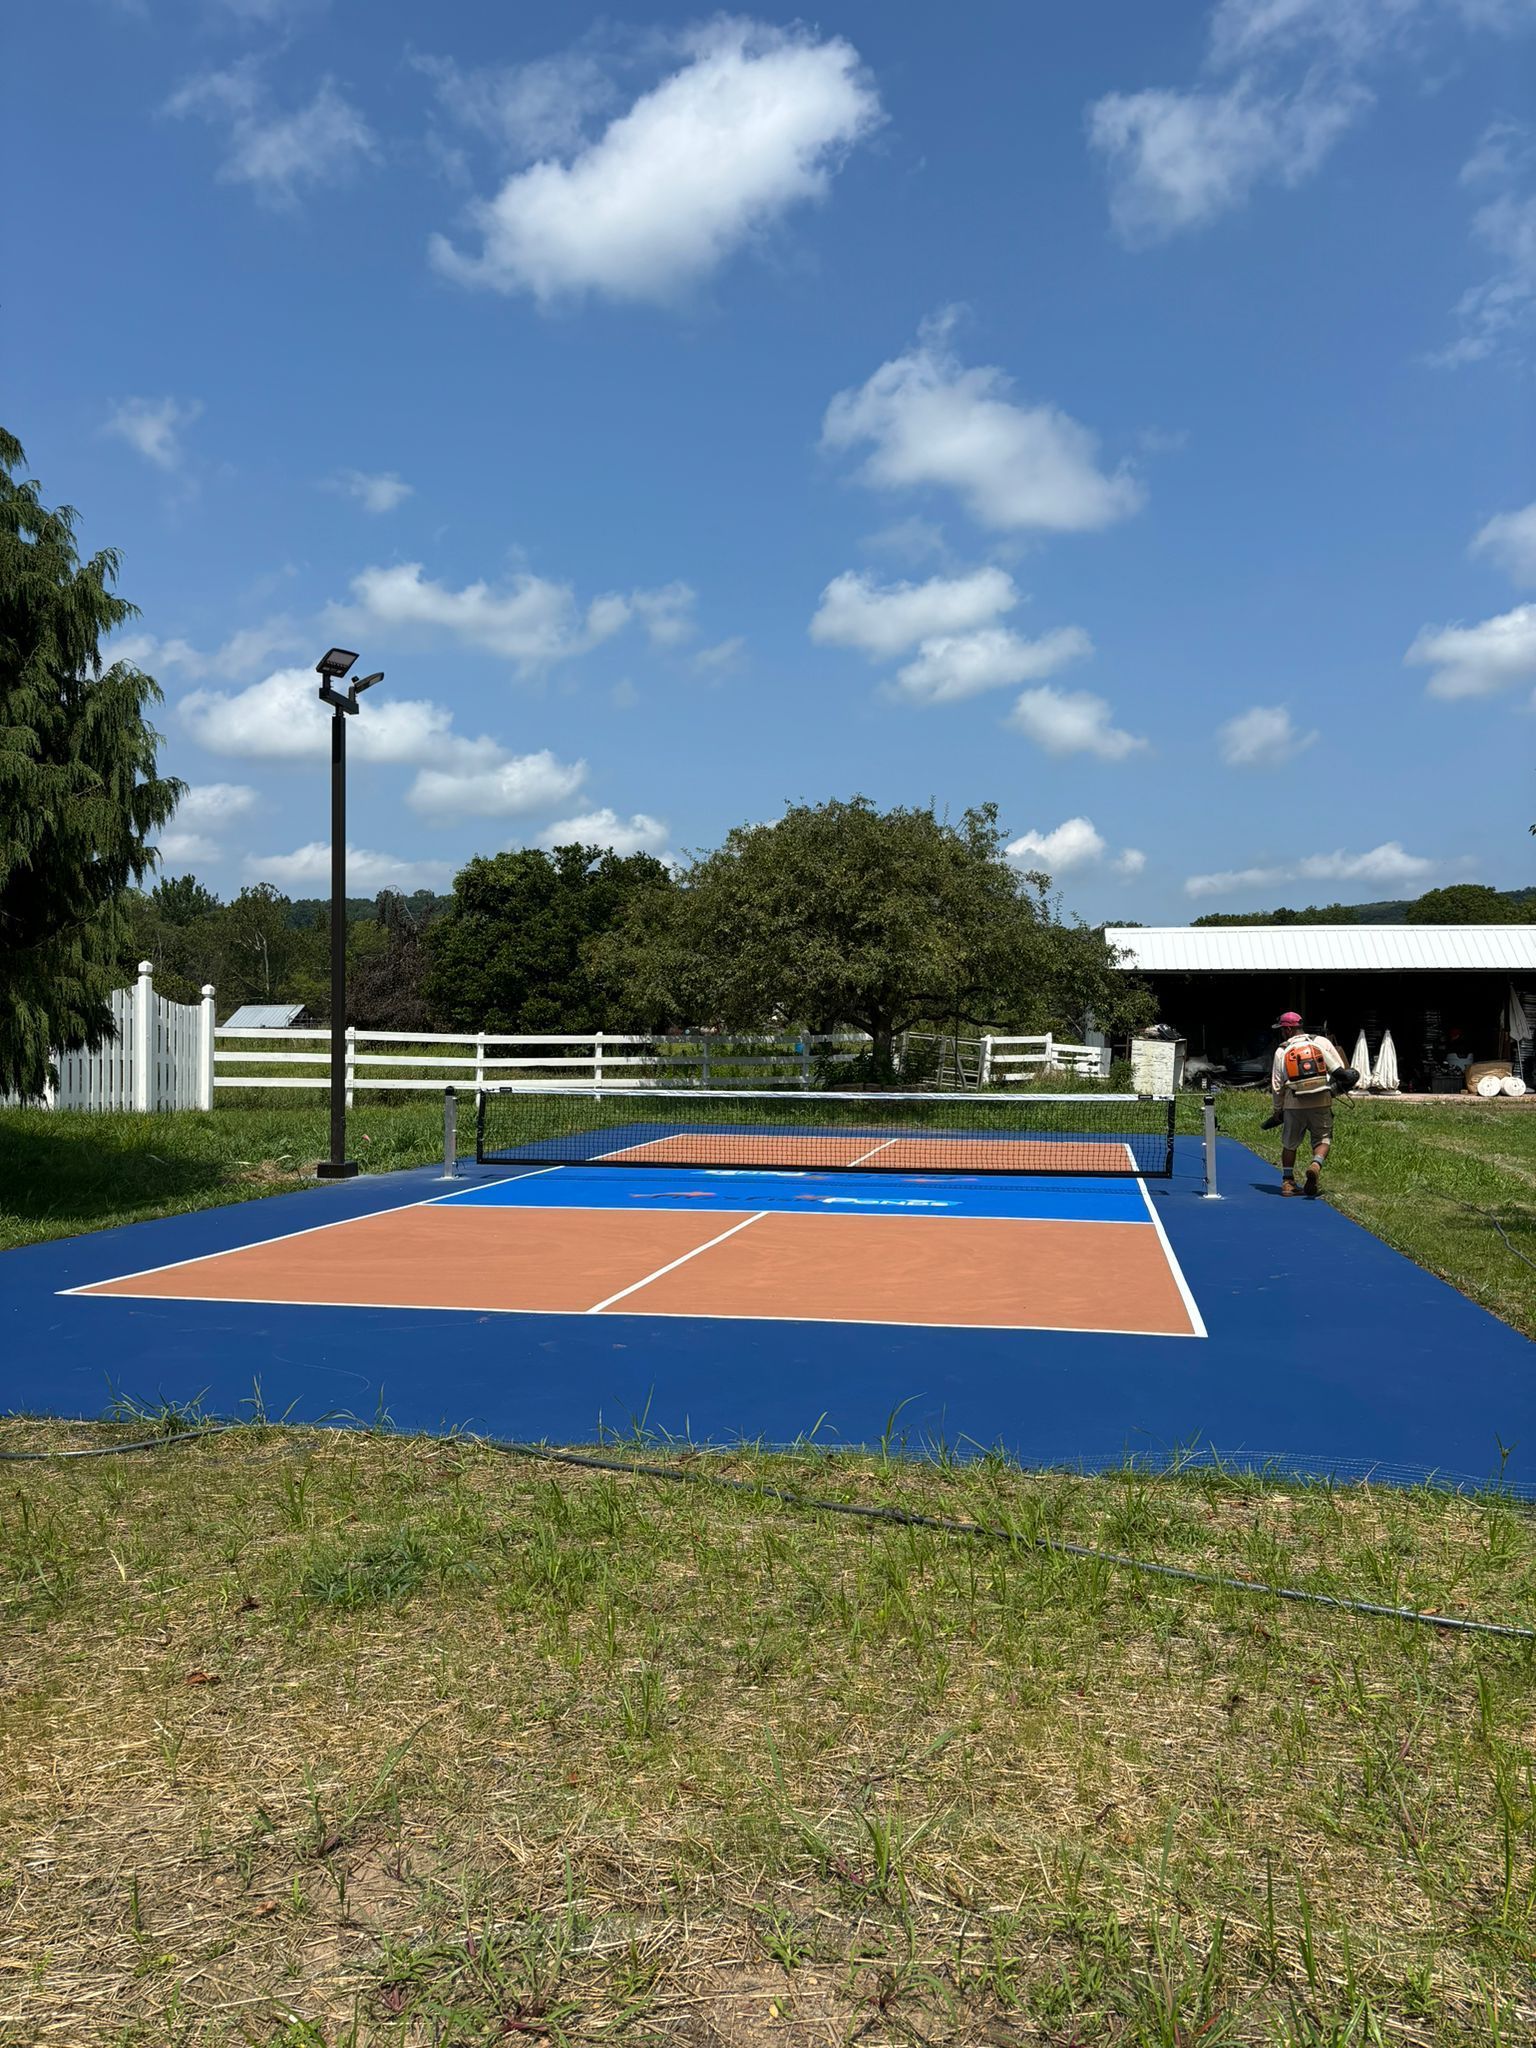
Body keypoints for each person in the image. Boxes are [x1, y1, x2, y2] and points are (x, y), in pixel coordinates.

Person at [1267, 1011, 1344, 1198]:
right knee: (1323, 1139)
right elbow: (1340, 1069)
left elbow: (1277, 1085)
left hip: (1294, 1103)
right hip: (1321, 1100)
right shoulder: (1321, 1043)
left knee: (1289, 1144)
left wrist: (1278, 1109)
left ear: (1287, 1030)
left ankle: (1287, 1182)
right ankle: (1316, 1164)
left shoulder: (1282, 1050)